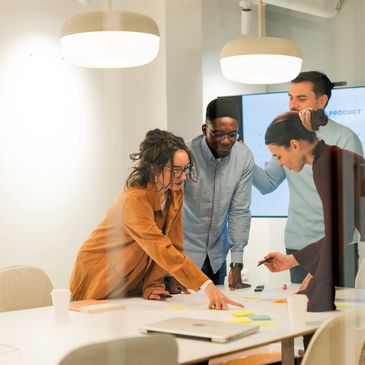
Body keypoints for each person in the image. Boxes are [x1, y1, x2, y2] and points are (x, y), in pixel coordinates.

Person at [70, 129, 243, 310]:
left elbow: (173, 243)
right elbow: (159, 246)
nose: (183, 177)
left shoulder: (174, 192)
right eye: (176, 170)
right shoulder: (134, 200)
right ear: (154, 168)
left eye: (185, 169)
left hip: (129, 280)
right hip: (100, 276)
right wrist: (206, 284)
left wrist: (155, 284)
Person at [253, 71, 363, 286]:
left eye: (301, 98)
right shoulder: (287, 138)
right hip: (298, 242)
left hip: (339, 244)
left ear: (321, 101)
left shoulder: (343, 141)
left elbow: (347, 218)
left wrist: (320, 269)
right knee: (304, 309)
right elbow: (267, 183)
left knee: (339, 310)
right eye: (290, 97)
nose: (293, 105)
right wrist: (242, 158)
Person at [261, 109, 365, 312]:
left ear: (294, 145)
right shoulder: (331, 157)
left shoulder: (326, 164)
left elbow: (336, 235)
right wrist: (295, 261)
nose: (280, 163)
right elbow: (340, 232)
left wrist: (317, 288)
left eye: (278, 156)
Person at [167, 98, 253, 292]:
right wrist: (169, 270)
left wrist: (236, 264)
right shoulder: (185, 155)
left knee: (218, 315)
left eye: (232, 134)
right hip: (183, 256)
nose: (226, 140)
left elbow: (239, 211)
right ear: (204, 128)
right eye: (218, 133)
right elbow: (169, 211)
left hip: (216, 257)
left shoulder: (244, 157)